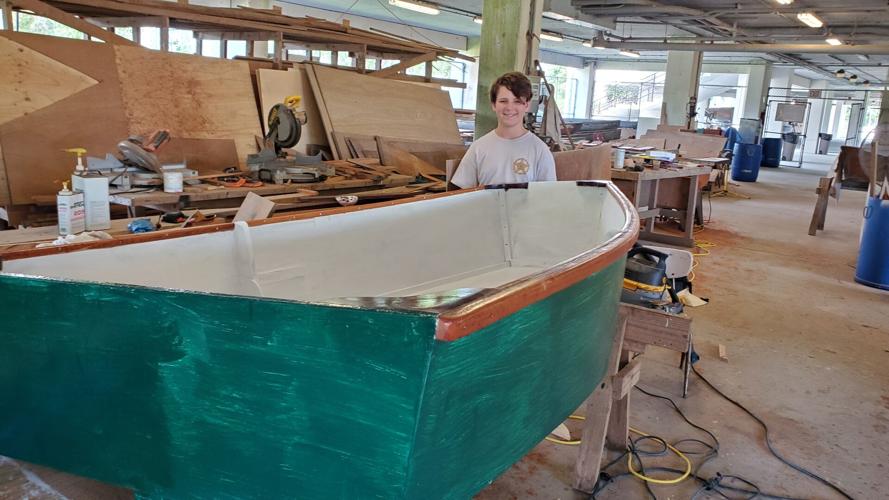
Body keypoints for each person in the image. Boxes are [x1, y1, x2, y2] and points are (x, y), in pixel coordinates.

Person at [451, 72, 556, 188]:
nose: (509, 108)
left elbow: (548, 198)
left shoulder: (540, 151)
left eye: (517, 101)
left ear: (527, 105)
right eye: (503, 101)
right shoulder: (478, 148)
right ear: (493, 104)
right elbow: (462, 194)